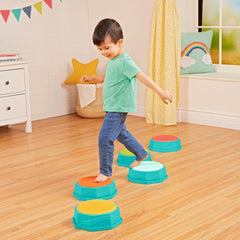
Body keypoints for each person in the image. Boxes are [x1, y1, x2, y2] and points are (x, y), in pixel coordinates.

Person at [81, 18, 173, 183]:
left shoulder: (125, 62)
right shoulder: (114, 60)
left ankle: (105, 171)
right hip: (112, 105)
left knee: (105, 138)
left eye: (107, 48)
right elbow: (109, 77)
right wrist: (92, 78)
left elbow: (142, 77)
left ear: (120, 42)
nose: (103, 52)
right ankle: (141, 155)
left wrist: (161, 92)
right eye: (99, 49)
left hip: (118, 106)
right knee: (121, 134)